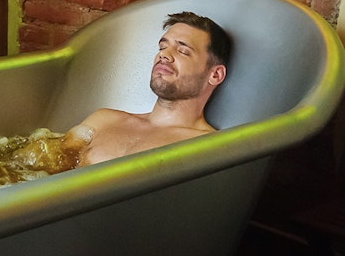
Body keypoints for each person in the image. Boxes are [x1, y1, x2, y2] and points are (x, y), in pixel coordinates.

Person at [64, 11, 231, 167]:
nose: (164, 55)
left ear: (215, 75)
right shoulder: (103, 120)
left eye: (182, 51)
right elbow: (49, 168)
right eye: (162, 47)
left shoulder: (209, 148)